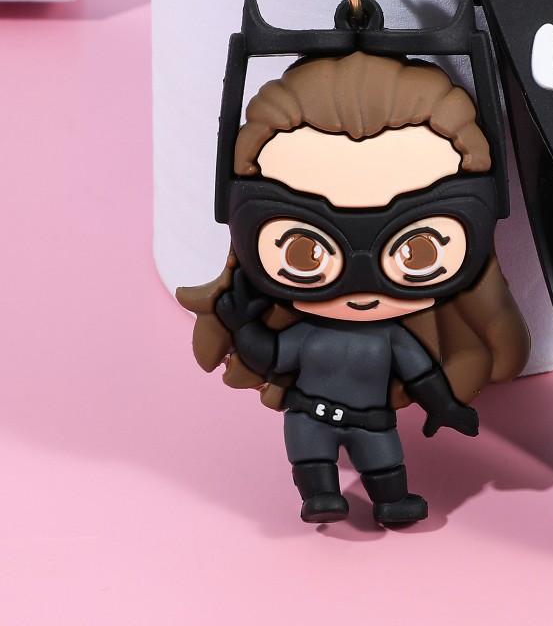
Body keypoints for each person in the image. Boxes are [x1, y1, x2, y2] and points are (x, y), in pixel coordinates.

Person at [178, 50, 530, 525]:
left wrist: (444, 405)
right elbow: (270, 357)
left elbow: (423, 375)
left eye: (418, 251)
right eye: (303, 251)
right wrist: (243, 326)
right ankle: (321, 495)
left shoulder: (389, 337)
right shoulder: (313, 334)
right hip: (310, 417)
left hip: (372, 422)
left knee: (386, 465)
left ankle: (391, 500)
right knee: (313, 464)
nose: (361, 280)